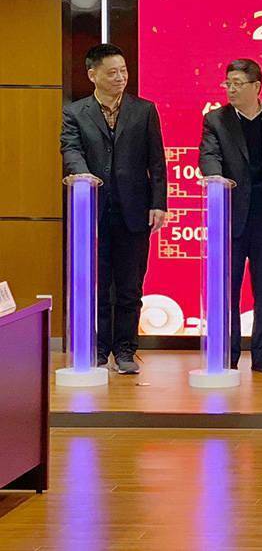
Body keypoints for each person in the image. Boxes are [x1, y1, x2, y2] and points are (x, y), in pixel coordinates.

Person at [60, 43, 167, 374]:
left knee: (130, 286)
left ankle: (125, 349)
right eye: (112, 72)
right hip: (92, 211)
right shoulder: (75, 112)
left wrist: (158, 203)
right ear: (93, 75)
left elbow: (156, 161)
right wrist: (82, 175)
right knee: (98, 284)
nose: (120, 77)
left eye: (123, 71)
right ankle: (98, 348)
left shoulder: (143, 110)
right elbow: (70, 149)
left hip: (134, 210)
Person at [198, 59, 262, 375]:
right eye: (227, 83)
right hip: (230, 215)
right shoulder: (216, 119)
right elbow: (208, 155)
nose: (231, 89)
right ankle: (226, 355)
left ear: (256, 86)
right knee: (227, 289)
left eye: (238, 83)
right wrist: (215, 177)